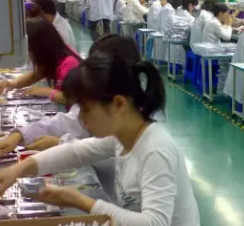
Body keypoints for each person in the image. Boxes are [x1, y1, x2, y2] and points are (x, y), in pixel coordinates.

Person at [0, 54, 204, 226]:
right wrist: (19, 169)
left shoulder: (156, 151)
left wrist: (79, 201)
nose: (82, 120)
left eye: (86, 109)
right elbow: (77, 151)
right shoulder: (123, 135)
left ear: (118, 104)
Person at [0, 35, 141, 156]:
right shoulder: (101, 103)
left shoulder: (139, 139)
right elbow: (67, 122)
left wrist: (61, 144)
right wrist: (19, 135)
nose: (84, 119)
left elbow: (102, 157)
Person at [0, 18, 81, 104]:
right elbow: (36, 75)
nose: (29, 55)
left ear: (40, 48)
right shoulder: (54, 57)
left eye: (30, 50)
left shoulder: (69, 63)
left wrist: (47, 92)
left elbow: (72, 98)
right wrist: (12, 84)